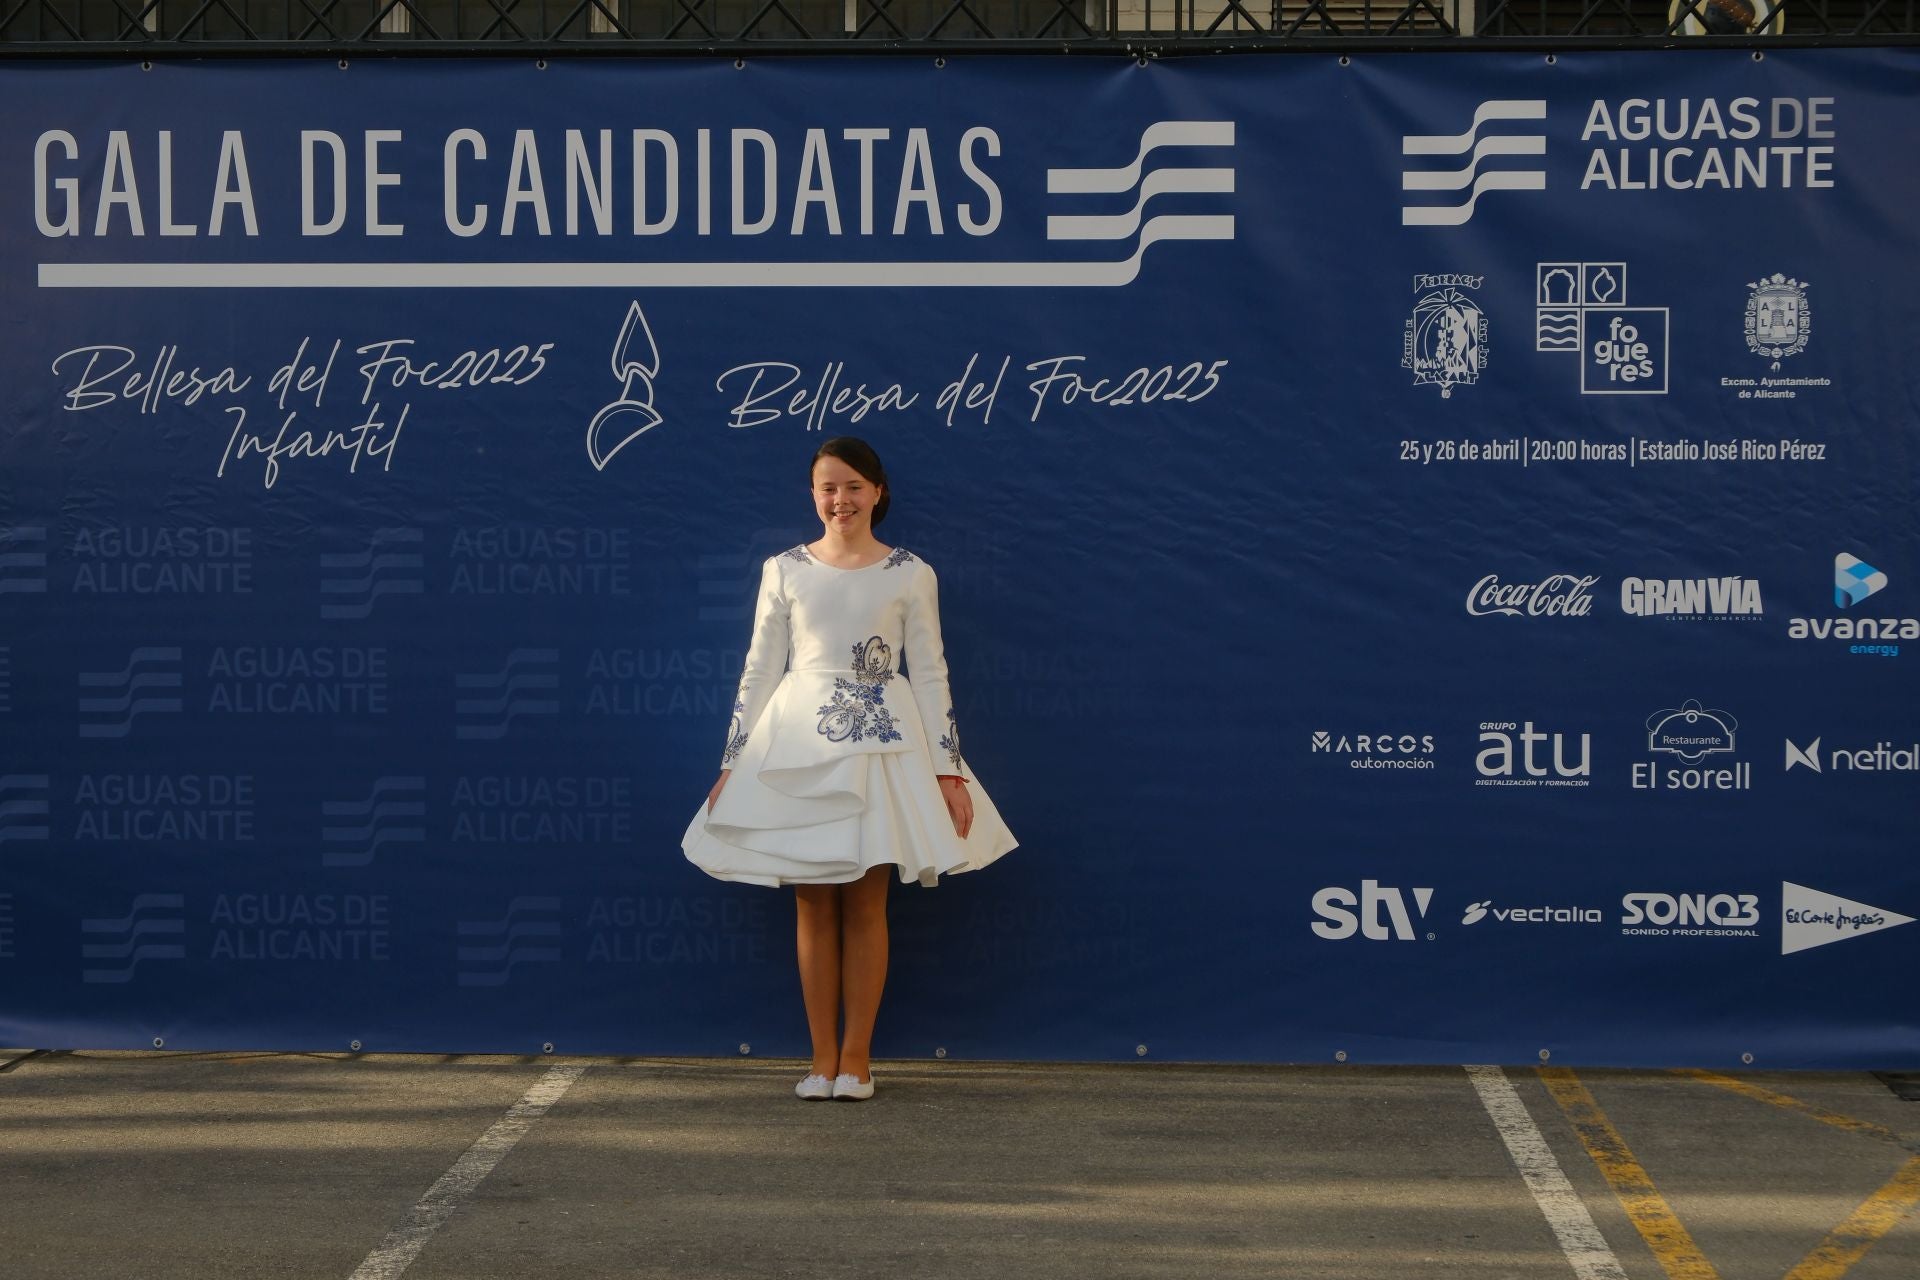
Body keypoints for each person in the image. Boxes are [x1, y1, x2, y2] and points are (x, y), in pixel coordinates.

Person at [681, 437, 1017, 1102]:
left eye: (853, 487)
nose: (841, 500)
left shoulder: (911, 573)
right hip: (797, 742)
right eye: (828, 488)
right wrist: (733, 760)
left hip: (884, 746)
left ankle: (858, 1061)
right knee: (811, 901)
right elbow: (758, 668)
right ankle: (821, 1058)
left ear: (878, 492)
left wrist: (949, 772)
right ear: (813, 494)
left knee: (867, 899)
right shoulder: (783, 569)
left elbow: (929, 672)